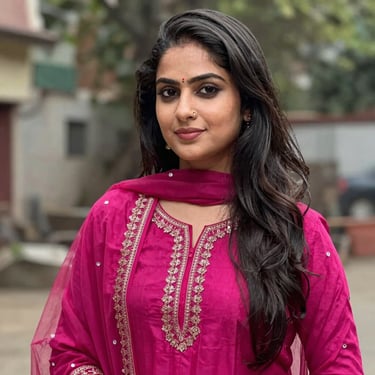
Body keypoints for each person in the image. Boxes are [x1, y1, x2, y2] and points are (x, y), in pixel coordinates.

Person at [31, 8, 364, 375]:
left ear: (248, 106)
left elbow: (338, 365)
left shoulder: (295, 230)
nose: (183, 110)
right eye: (169, 93)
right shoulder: (115, 215)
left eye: (207, 90)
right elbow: (72, 351)